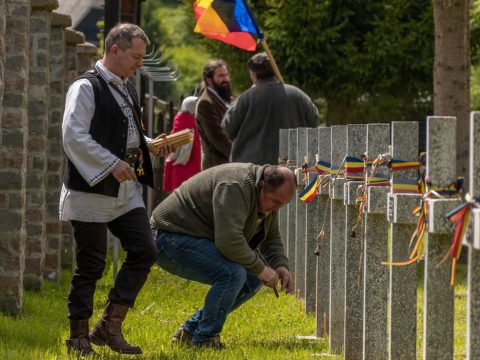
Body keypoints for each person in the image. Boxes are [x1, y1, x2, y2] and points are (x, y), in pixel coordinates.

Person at [59, 23, 171, 356]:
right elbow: (73, 136)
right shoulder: (85, 87)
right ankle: (77, 336)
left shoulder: (125, 88)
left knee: (145, 250)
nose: (139, 64)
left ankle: (108, 326)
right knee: (91, 265)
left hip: (125, 193)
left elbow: (127, 135)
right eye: (136, 57)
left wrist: (150, 144)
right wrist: (110, 163)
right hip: (90, 191)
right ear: (115, 50)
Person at [151, 163, 296, 348]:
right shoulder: (235, 186)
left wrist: (280, 265)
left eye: (282, 205)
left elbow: (271, 236)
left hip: (190, 238)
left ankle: (191, 331)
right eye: (276, 202)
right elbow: (228, 240)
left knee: (252, 277)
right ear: (262, 185)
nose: (277, 209)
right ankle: (205, 340)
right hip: (166, 237)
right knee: (232, 273)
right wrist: (261, 268)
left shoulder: (267, 197)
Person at [222, 52, 320, 165]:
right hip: (291, 165)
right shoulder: (298, 95)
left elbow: (227, 127)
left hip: (254, 169)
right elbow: (314, 120)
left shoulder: (246, 98)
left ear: (253, 74)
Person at [196, 60, 233, 170]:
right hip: (217, 166)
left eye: (226, 75)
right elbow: (218, 138)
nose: (225, 79)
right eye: (221, 76)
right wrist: (240, 155)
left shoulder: (227, 98)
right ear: (209, 79)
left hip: (230, 163)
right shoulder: (205, 103)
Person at [163, 96, 201, 192]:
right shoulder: (193, 126)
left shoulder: (181, 125)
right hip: (194, 175)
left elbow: (171, 156)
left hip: (180, 175)